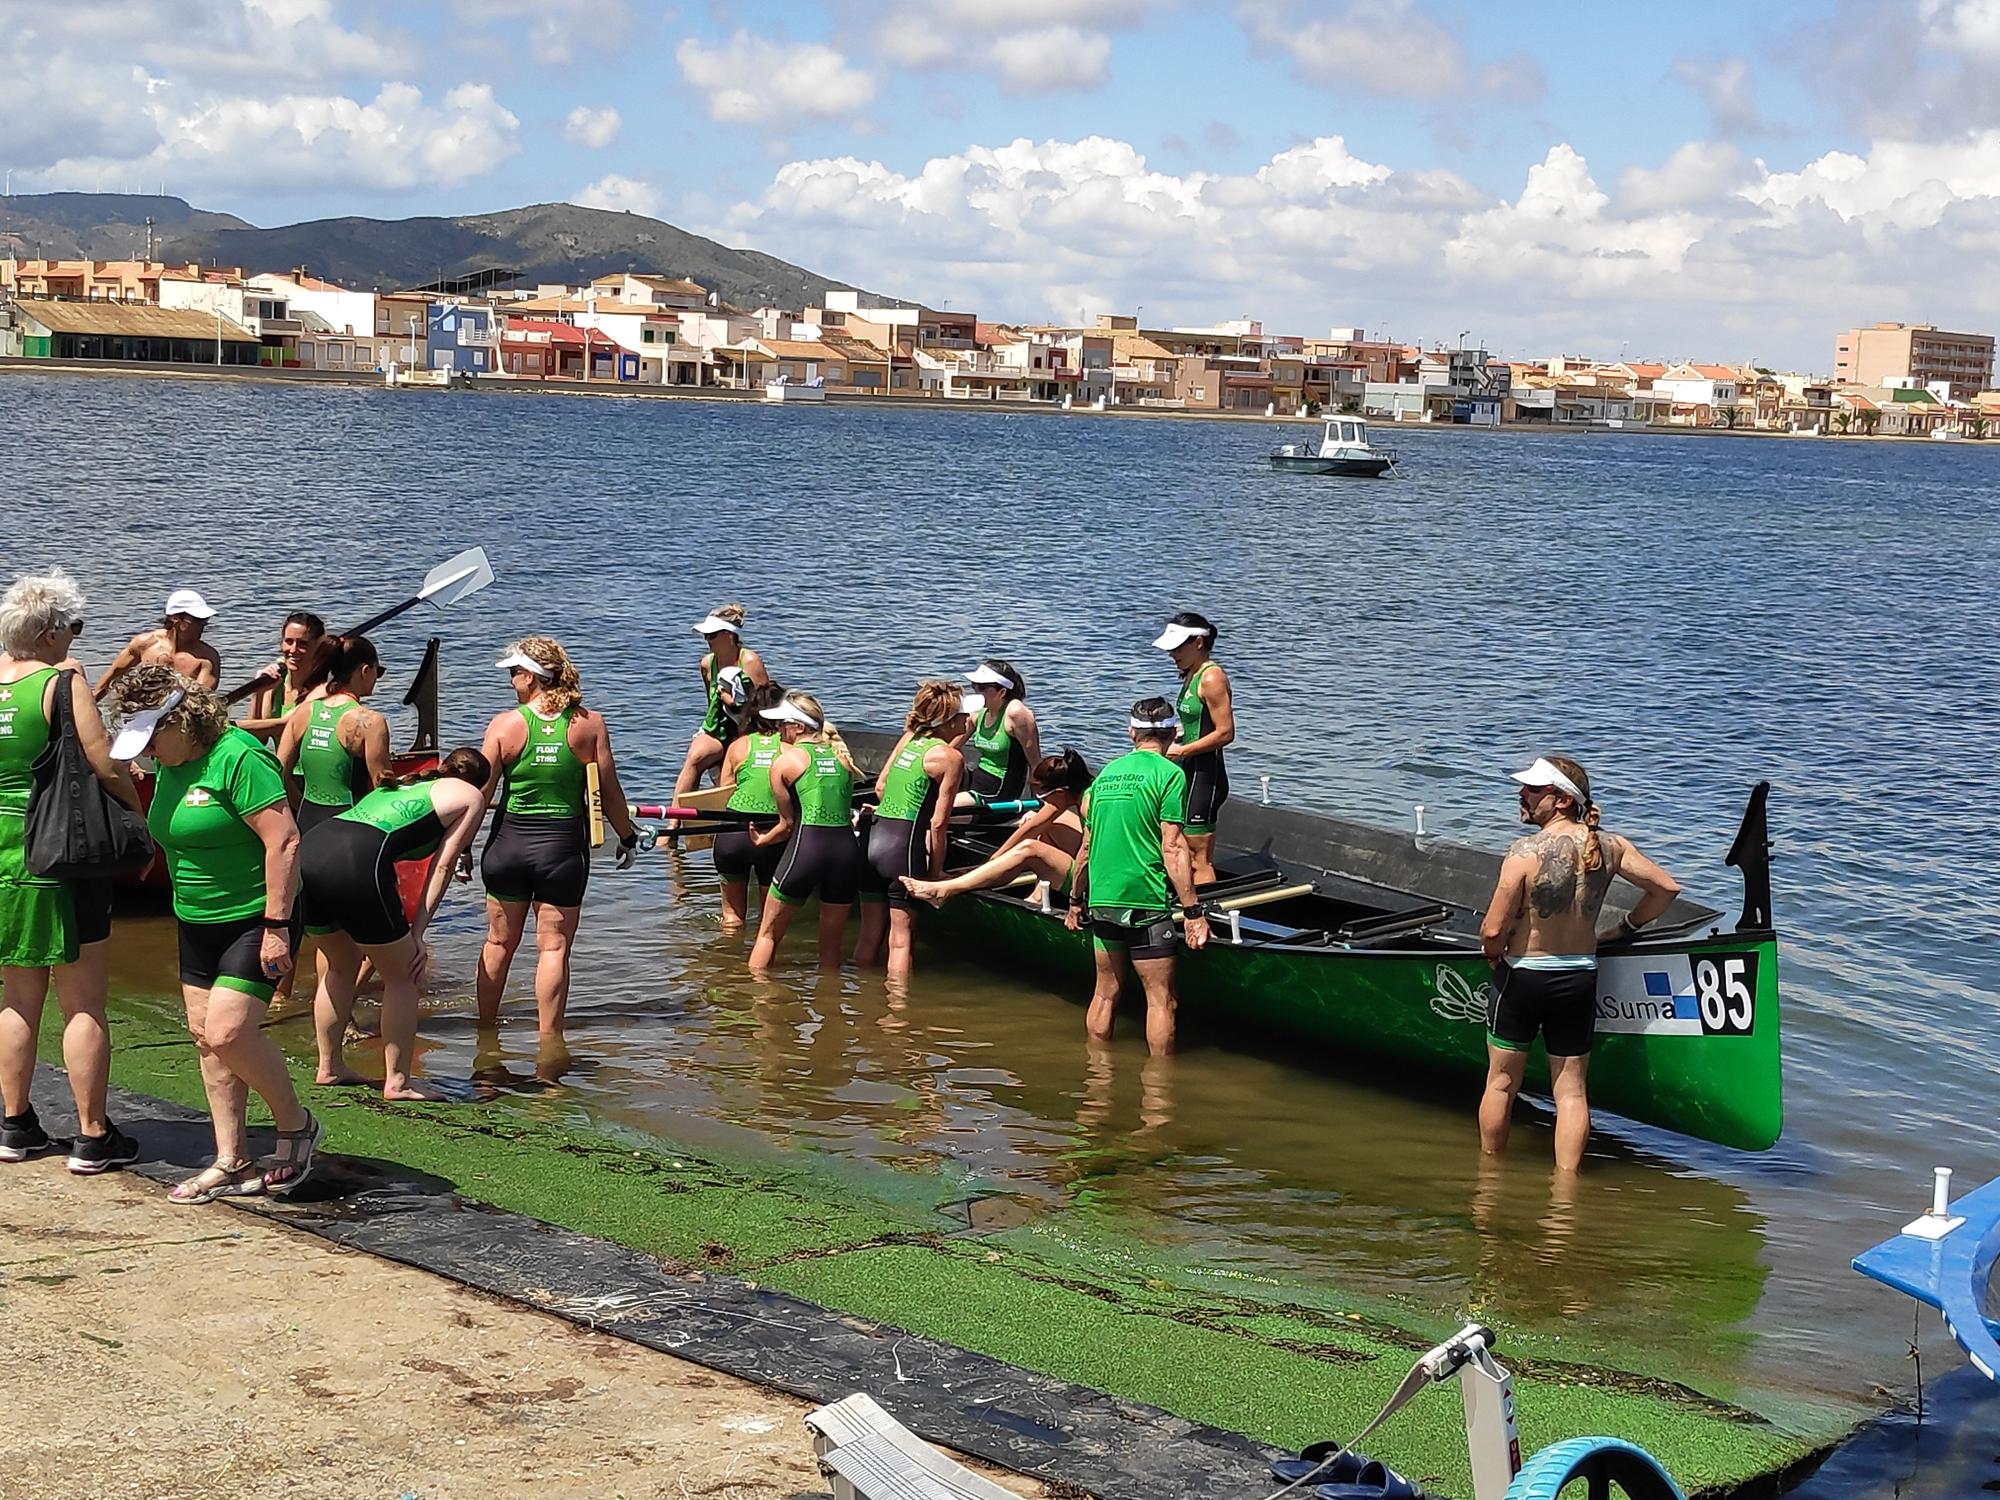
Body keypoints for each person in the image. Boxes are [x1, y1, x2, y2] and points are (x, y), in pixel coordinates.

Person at [106, 666, 321, 1202]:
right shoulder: (171, 762)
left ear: (183, 718)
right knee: (207, 1041)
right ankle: (233, 1160)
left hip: (256, 917)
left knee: (229, 1033)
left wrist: (276, 927)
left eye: (155, 736)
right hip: (195, 919)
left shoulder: (240, 757)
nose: (150, 751)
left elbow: (286, 842)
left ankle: (297, 1126)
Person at [0, 571, 145, 1174]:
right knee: (83, 1000)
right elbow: (103, 763)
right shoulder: (61, 684)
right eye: (75, 628)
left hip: (3, 854)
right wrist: (138, 816)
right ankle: (91, 1134)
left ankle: (13, 1125)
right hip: (57, 854)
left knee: (16, 995)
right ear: (54, 631)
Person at [1477, 755, 1682, 1173]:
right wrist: (1625, 927)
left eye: (1533, 790)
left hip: (1523, 977)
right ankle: (1566, 1189)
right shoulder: (1612, 847)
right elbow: (1666, 889)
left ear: (1562, 801)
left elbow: (1492, 931)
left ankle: (1491, 1173)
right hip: (1578, 978)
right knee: (1570, 1092)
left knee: (1500, 1083)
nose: (1522, 795)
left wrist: (1493, 954)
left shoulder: (1524, 852)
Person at [300, 748, 491, 1100]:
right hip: (355, 858)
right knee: (404, 975)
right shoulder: (472, 796)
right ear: (480, 782)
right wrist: (417, 932)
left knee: (339, 968)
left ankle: (329, 1067)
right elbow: (444, 865)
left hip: (311, 849)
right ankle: (398, 1082)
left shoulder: (406, 784)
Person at [476, 637, 638, 1044]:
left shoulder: (504, 725)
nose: (511, 680)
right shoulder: (589, 724)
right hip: (562, 850)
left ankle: (485, 1034)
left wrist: (458, 847)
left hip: (508, 845)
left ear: (532, 678)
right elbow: (611, 793)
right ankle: (550, 1043)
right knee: (553, 949)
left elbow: (477, 794)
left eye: (514, 672)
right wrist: (628, 835)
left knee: (498, 942)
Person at [1065, 698, 1209, 1055]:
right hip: (1144, 900)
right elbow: (1173, 847)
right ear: (1174, 733)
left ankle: (1097, 1080)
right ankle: (1158, 1098)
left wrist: (1074, 901)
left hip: (1102, 900)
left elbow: (1085, 849)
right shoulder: (1170, 774)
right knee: (1161, 1001)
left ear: (1131, 733)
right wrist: (1193, 913)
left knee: (1104, 992)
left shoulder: (1104, 777)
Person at [859, 682, 972, 975]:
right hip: (902, 849)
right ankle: (898, 1017)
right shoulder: (951, 758)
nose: (967, 722)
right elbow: (937, 823)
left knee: (869, 936)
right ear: (949, 720)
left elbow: (881, 787)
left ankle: (852, 1000)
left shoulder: (910, 737)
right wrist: (936, 874)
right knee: (900, 942)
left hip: (872, 841)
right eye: (963, 716)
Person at [748, 693, 861, 971]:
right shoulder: (844, 759)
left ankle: (757, 1004)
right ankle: (831, 1006)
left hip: (807, 849)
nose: (778, 730)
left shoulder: (785, 763)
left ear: (798, 727)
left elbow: (786, 825)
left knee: (768, 935)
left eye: (783, 724)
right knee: (831, 951)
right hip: (846, 853)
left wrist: (763, 840)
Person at [903, 749, 1090, 908]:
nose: (1041, 799)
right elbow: (1033, 827)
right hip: (1098, 871)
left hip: (1095, 886)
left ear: (1059, 792)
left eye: (1042, 794)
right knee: (1044, 822)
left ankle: (945, 891)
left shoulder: (1088, 806)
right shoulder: (1080, 792)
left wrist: (1076, 900)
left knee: (1029, 849)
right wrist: (995, 859)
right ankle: (1037, 896)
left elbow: (1089, 851)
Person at [275, 635, 392, 837]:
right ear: (365, 670)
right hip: (350, 829)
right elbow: (382, 788)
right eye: (378, 671)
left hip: (307, 823)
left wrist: (299, 804)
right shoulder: (370, 722)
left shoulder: (305, 712)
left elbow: (279, 771)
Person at [1153, 611, 1234, 886]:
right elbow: (1196, 723)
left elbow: (1225, 733)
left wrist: (1183, 751)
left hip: (1205, 777)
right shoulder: (1191, 674)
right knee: (1180, 847)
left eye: (1177, 648)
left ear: (1198, 643)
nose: (1171, 654)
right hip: (1187, 772)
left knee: (1199, 858)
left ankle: (1205, 921)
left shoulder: (1212, 678)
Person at [670, 605, 769, 807]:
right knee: (695, 755)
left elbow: (766, 705)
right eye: (705, 636)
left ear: (728, 635)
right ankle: (673, 823)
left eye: (712, 635)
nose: (707, 640)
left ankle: (724, 819)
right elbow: (712, 705)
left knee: (731, 768)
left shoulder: (749, 661)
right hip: (720, 728)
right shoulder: (707, 664)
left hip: (748, 729)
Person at [711, 679, 790, 930]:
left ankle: (729, 964)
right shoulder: (791, 749)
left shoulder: (737, 746)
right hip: (773, 833)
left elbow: (724, 792)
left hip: (732, 834)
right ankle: (762, 968)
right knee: (769, 923)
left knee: (731, 919)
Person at [94, 588, 222, 699]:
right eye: (196, 620)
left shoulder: (207, 658)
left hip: (182, 723)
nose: (202, 625)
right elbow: (110, 680)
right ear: (175, 618)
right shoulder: (144, 644)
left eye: (204, 620)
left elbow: (202, 701)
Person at [237, 610, 331, 739]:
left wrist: (226, 725)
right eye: (289, 641)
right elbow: (257, 739)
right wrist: (258, 692)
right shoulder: (276, 684)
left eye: (303, 643)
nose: (293, 650)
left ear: (319, 647)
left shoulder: (324, 689)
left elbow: (282, 726)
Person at [961, 659, 1041, 802]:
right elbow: (950, 746)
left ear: (1002, 692)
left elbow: (1035, 763)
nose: (976, 691)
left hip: (1000, 790)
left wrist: (1036, 807)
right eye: (974, 685)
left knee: (941, 808)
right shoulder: (979, 712)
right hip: (979, 778)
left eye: (982, 687)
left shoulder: (1016, 713)